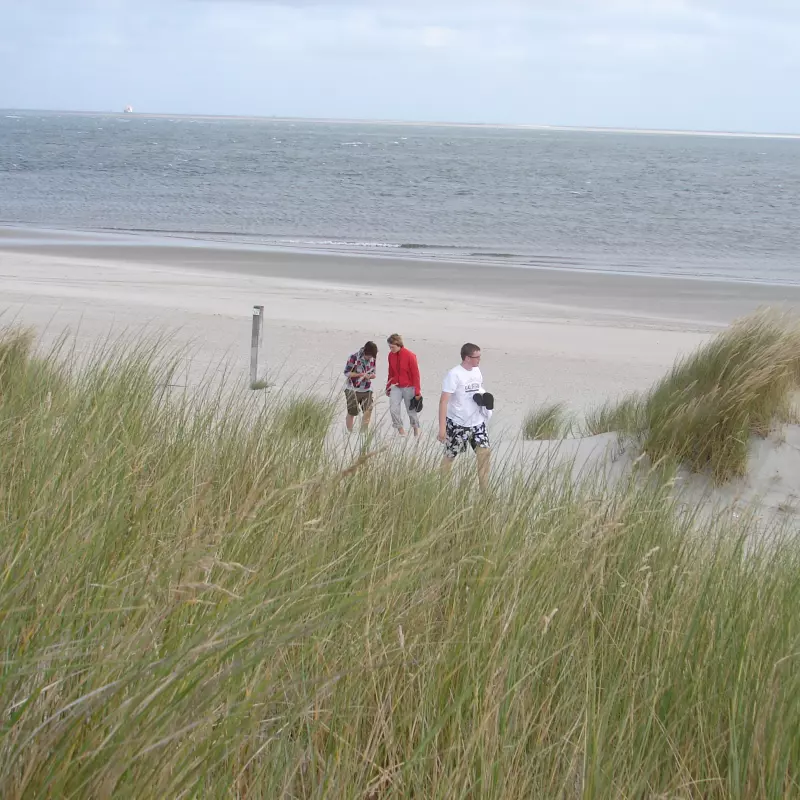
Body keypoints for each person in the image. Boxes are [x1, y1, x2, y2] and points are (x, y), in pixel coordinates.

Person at [438, 342, 492, 491]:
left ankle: (484, 490)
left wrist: (484, 399)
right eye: (477, 357)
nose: (479, 360)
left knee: (485, 453)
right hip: (457, 423)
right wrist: (442, 428)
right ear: (467, 358)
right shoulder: (454, 374)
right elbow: (443, 401)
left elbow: (478, 389)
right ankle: (443, 488)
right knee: (450, 456)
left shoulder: (477, 371)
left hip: (477, 422)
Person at [386, 333, 422, 437]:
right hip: (395, 386)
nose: (391, 349)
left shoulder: (410, 356)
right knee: (393, 409)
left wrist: (417, 392)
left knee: (411, 411)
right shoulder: (390, 355)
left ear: (399, 345)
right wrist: (388, 386)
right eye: (389, 347)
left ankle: (416, 430)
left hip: (409, 387)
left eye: (392, 347)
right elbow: (390, 372)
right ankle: (401, 431)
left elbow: (416, 375)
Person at [343, 340, 378, 432]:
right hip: (352, 389)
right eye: (369, 356)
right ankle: (349, 433)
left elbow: (374, 373)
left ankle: (363, 433)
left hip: (367, 389)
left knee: (368, 411)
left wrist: (370, 376)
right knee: (352, 412)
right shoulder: (354, 357)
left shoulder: (373, 359)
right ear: (366, 352)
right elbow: (346, 373)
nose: (370, 358)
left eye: (372, 357)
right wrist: (360, 375)